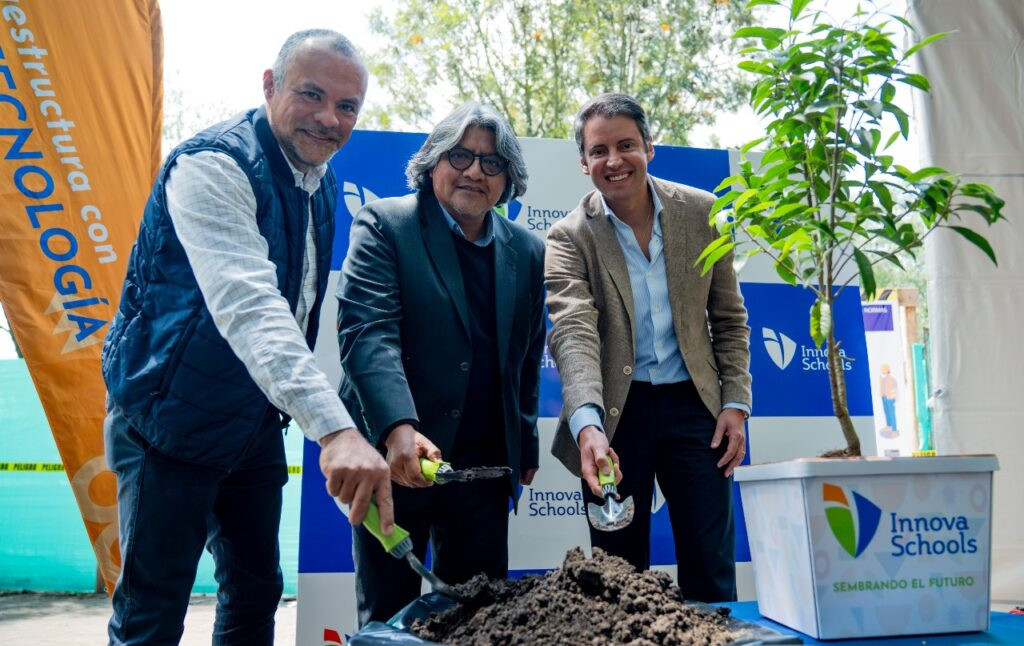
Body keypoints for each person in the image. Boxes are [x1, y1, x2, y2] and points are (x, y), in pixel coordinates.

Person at [100, 30, 392, 645]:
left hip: (252, 425)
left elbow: (303, 305)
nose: (328, 118)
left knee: (256, 591)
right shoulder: (212, 165)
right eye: (311, 94)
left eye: (347, 107)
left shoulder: (320, 180)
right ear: (269, 85)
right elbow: (250, 305)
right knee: (154, 608)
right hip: (167, 418)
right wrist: (336, 429)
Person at [337, 103, 546, 625]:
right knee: (389, 617)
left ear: (507, 180)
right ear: (433, 163)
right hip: (393, 456)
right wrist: (397, 428)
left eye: (492, 162)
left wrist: (525, 439)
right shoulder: (385, 223)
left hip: (484, 466)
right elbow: (368, 335)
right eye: (460, 155)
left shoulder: (528, 248)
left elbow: (525, 354)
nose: (475, 171)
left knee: (479, 618)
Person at [544, 93, 752, 602]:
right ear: (583, 162)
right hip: (617, 414)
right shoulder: (568, 237)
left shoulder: (701, 213)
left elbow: (729, 319)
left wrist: (735, 404)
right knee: (616, 575)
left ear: (650, 148)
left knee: (710, 565)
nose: (613, 161)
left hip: (694, 408)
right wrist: (587, 425)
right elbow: (573, 333)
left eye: (626, 145)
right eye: (599, 151)